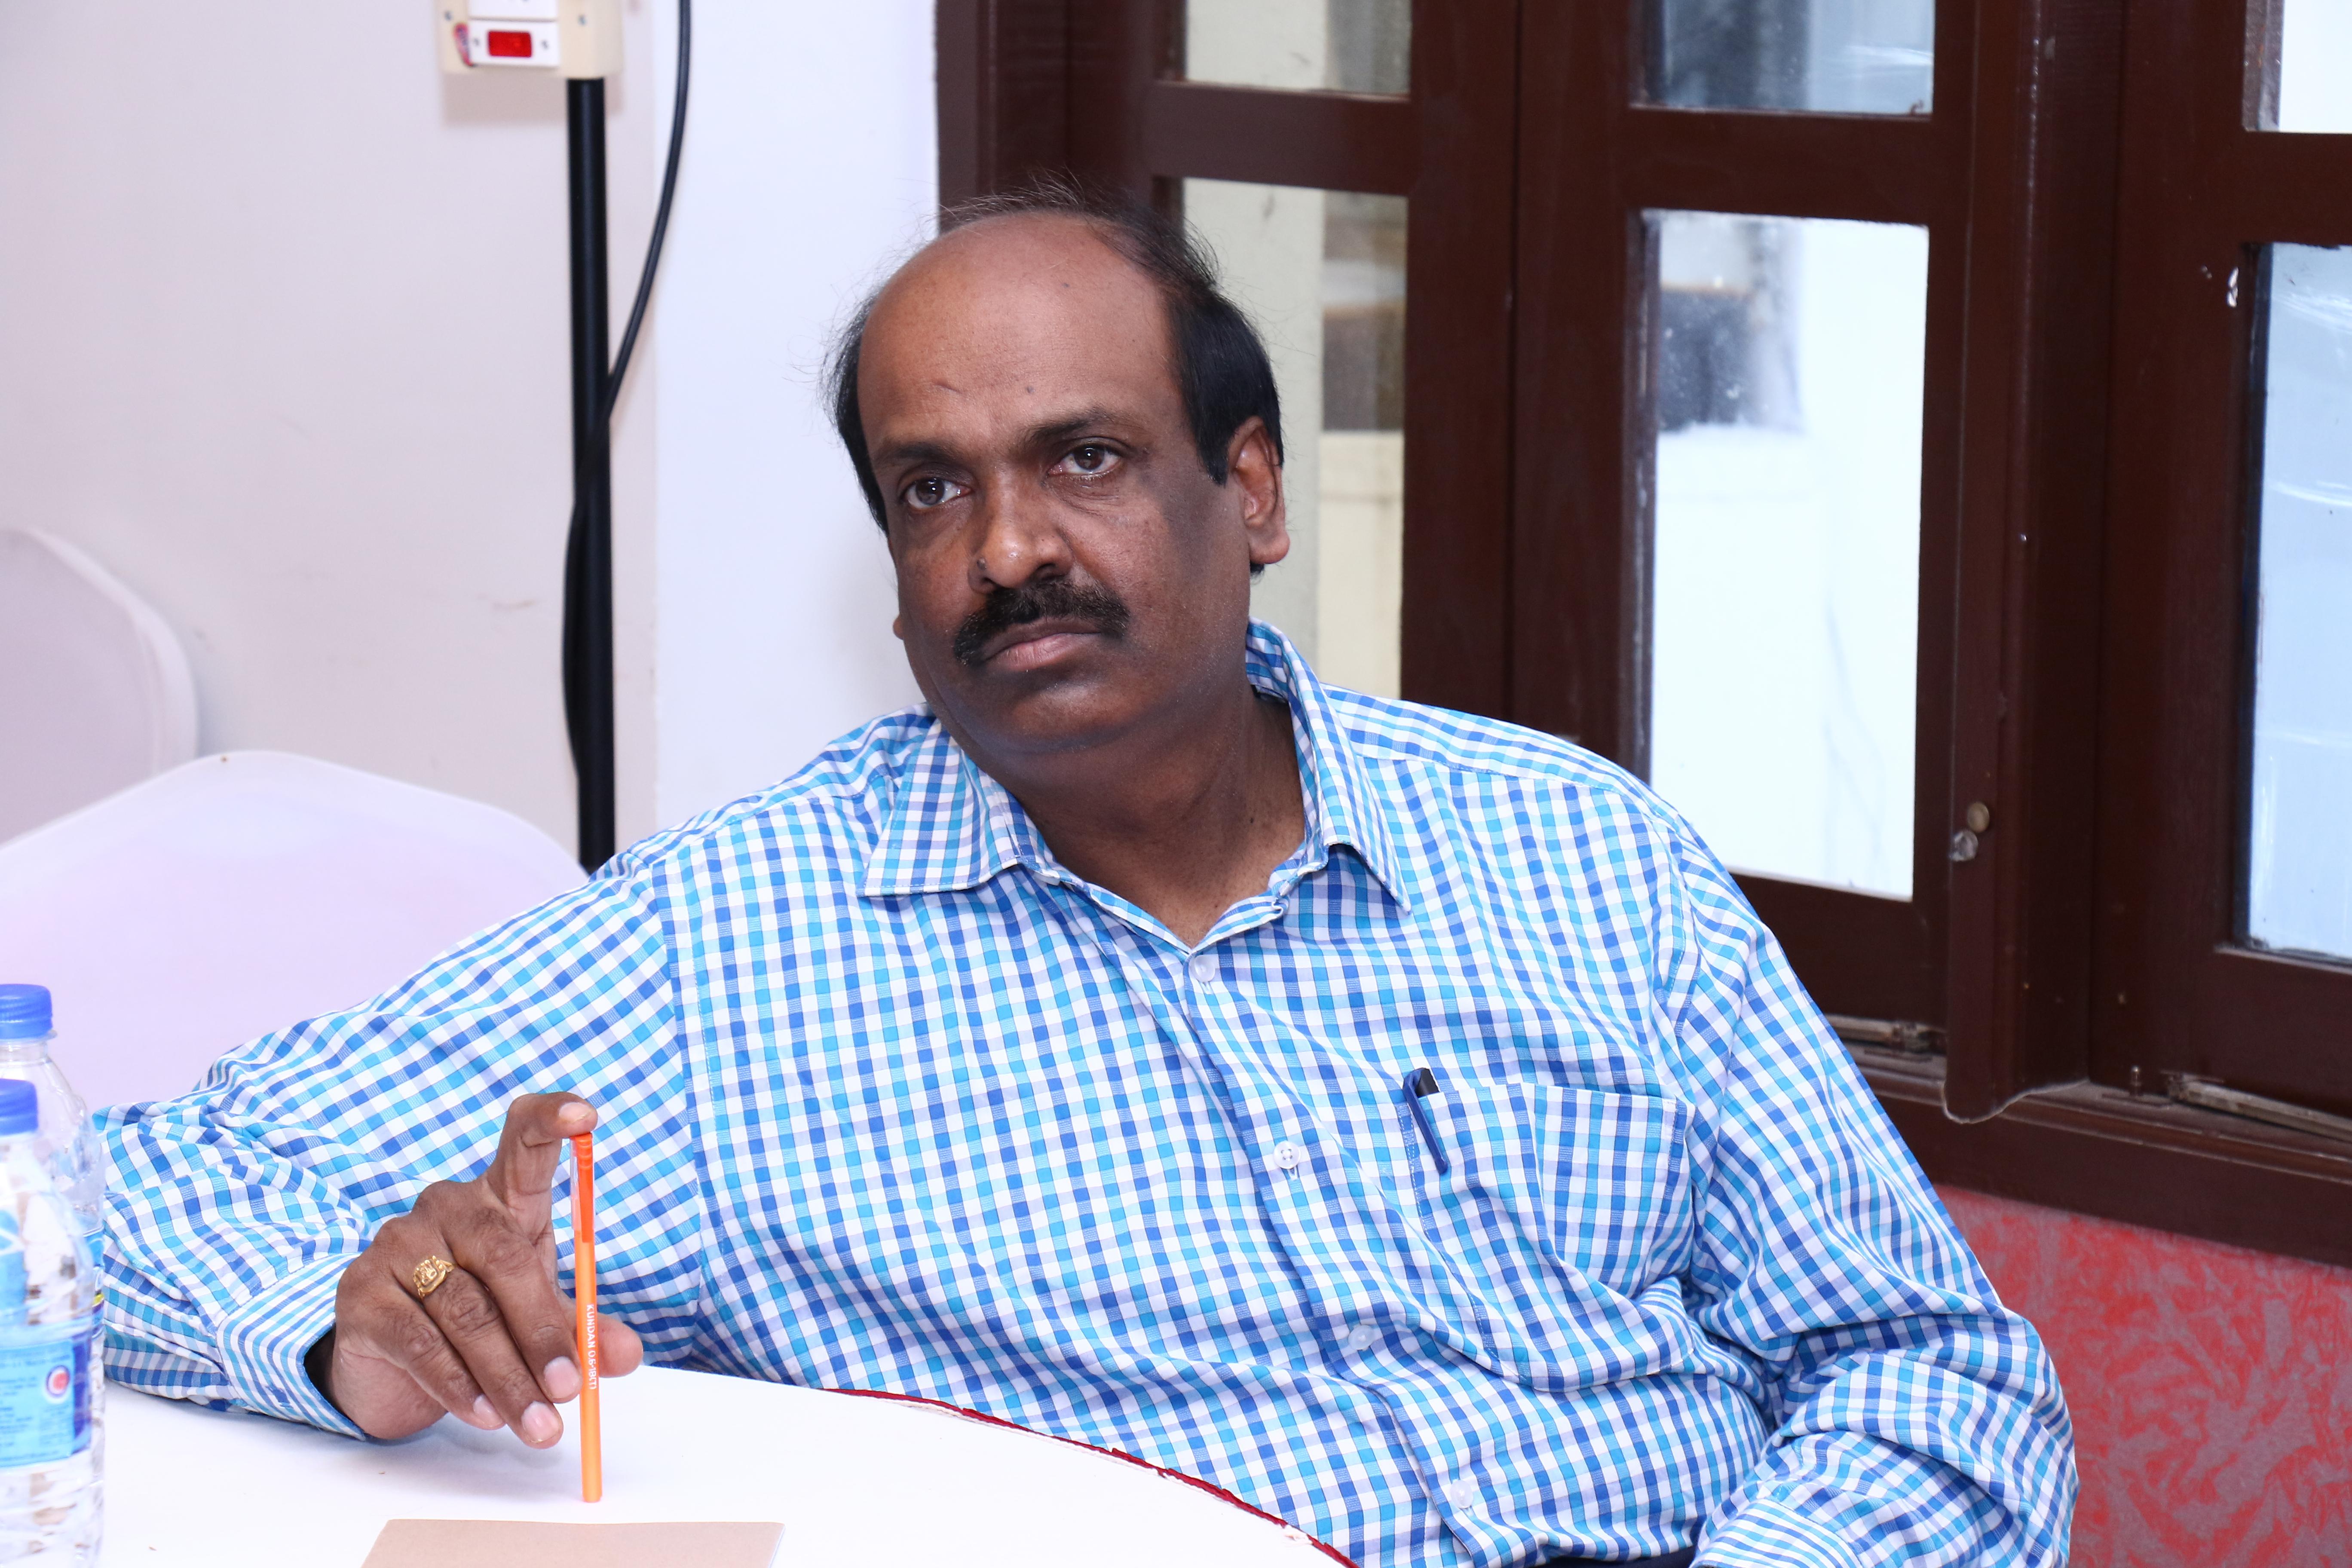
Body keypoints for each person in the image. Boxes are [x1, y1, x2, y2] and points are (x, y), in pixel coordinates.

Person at [99, 183, 2073, 1567]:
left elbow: (1929, 1371)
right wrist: (349, 1335)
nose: (1008, 551)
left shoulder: (1580, 851)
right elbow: (95, 1190)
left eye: (1088, 459)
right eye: (931, 490)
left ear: (1253, 489)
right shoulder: (732, 947)